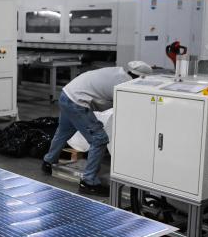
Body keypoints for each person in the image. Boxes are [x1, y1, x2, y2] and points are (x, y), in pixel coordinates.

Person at [42, 61, 152, 194]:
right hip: (77, 102)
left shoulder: (118, 72)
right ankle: (89, 182)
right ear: (140, 78)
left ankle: (48, 162)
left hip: (66, 94)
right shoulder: (125, 84)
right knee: (99, 139)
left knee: (64, 132)